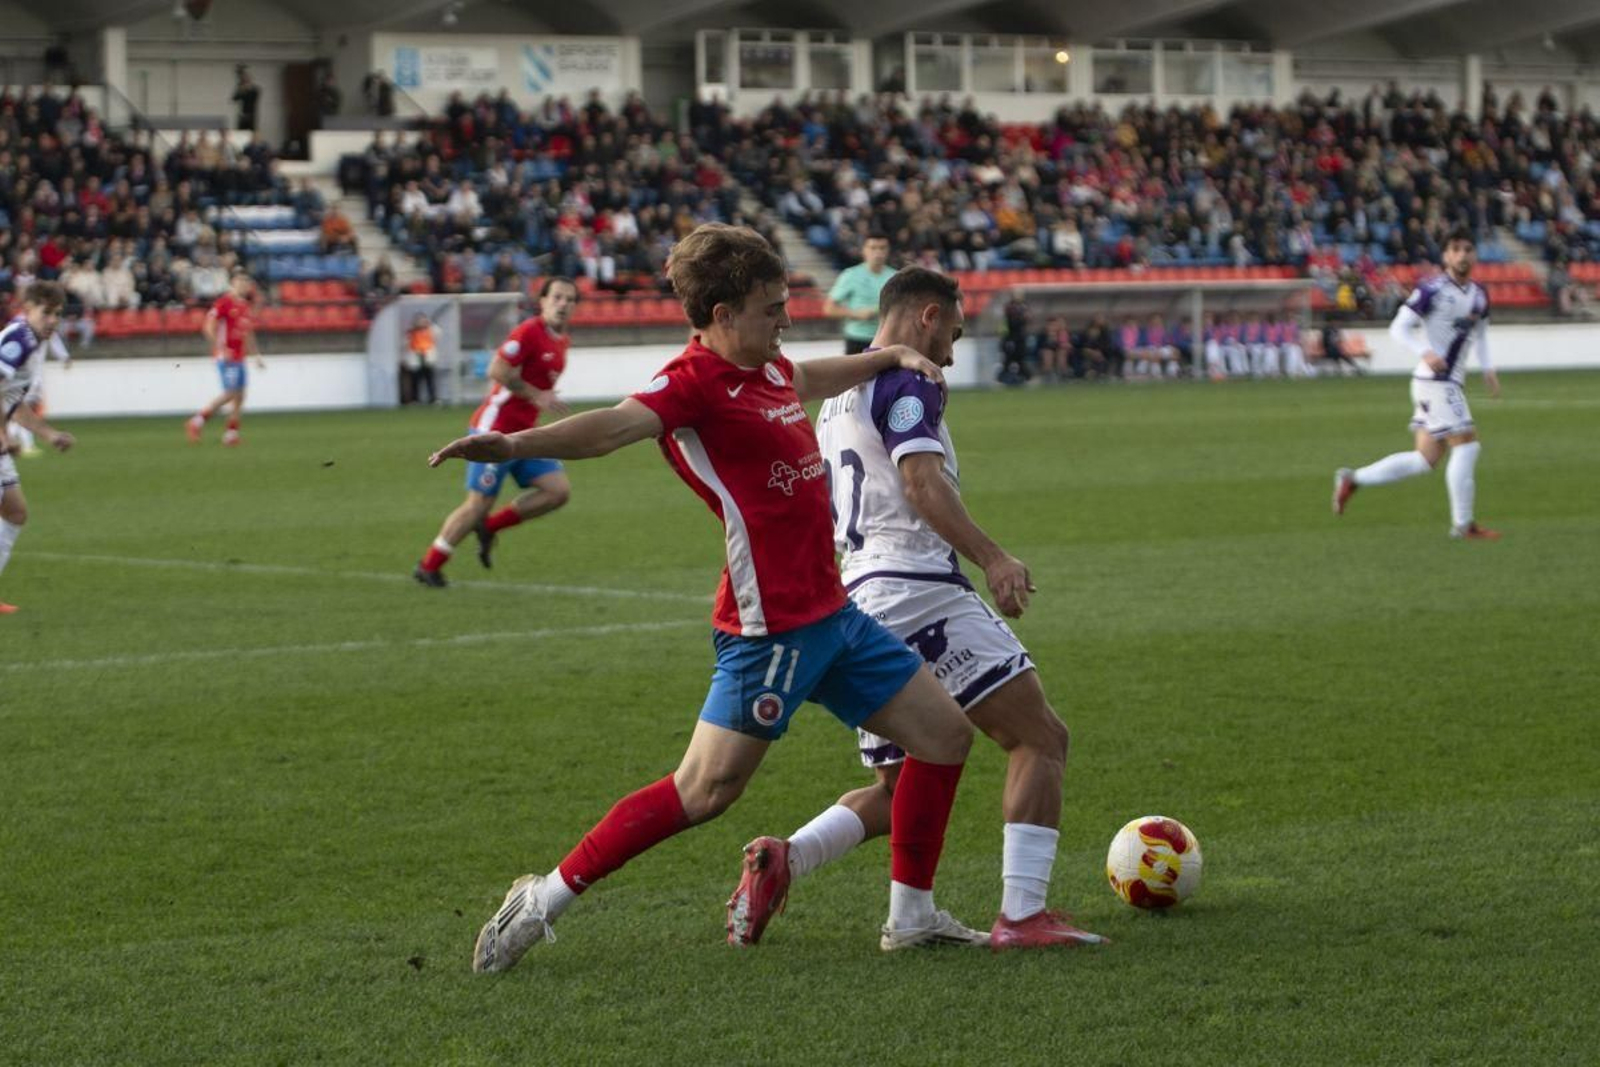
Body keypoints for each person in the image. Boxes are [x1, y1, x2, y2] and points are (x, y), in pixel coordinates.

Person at [428, 224, 974, 971]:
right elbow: (612, 427)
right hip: (769, 629)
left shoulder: (768, 365)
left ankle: (911, 917)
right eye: (772, 308)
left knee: (944, 737)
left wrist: (890, 355)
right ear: (723, 314)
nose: (786, 320)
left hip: (834, 614)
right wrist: (518, 446)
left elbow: (811, 375)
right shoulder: (691, 384)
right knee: (703, 791)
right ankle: (542, 899)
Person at [727, 268, 1106, 952]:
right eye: (952, 333)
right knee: (1039, 737)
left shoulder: (836, 394)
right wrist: (993, 557)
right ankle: (1023, 915)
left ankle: (787, 856)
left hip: (858, 596)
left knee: (900, 783)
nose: (952, 354)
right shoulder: (910, 380)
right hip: (918, 584)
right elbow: (921, 483)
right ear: (927, 315)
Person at [1333, 228, 1501, 540]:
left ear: (1475, 255)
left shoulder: (1479, 294)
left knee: (1425, 459)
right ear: (1446, 256)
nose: (1462, 255)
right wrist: (1425, 351)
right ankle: (1463, 525)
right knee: (1468, 445)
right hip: (1436, 382)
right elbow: (1399, 327)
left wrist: (1488, 369)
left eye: (1468, 249)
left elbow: (1480, 334)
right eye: (1455, 249)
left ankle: (1353, 479)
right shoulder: (1432, 289)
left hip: (1442, 382)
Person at [412, 278, 578, 586]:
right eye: (557, 297)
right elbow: (497, 370)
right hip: (495, 428)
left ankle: (489, 527)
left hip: (525, 433)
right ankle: (429, 566)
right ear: (542, 301)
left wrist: (537, 399)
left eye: (569, 299)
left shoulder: (562, 340)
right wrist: (537, 395)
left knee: (557, 491)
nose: (563, 304)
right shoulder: (529, 331)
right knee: (478, 504)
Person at [0, 283, 75, 615]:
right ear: (27, 308)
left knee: (15, 512)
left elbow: (12, 401)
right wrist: (3, 435)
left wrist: (48, 434)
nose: (53, 320)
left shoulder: (31, 342)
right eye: (46, 313)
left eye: (57, 314)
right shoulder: (19, 340)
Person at [186, 270, 263, 446]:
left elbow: (248, 333)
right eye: (240, 282)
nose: (243, 286)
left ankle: (231, 433)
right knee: (230, 393)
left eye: (245, 283)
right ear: (232, 284)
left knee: (240, 395)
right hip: (226, 357)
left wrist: (256, 355)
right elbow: (208, 327)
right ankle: (197, 421)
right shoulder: (224, 303)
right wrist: (221, 348)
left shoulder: (244, 306)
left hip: (239, 357)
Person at [825, 232, 895, 355]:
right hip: (857, 339)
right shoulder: (851, 275)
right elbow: (829, 308)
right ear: (864, 250)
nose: (878, 252)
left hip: (887, 339)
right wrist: (856, 314)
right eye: (873, 248)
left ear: (888, 250)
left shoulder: (895, 277)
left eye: (882, 248)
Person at [402, 313, 439, 406]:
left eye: (423, 320)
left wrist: (429, 324)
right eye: (419, 321)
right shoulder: (411, 332)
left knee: (430, 380)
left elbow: (438, 333)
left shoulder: (431, 330)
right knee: (415, 381)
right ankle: (415, 399)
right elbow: (405, 344)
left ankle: (433, 399)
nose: (421, 322)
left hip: (427, 357)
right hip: (416, 357)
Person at [232, 66, 260, 133]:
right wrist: (241, 90)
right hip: (243, 115)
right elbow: (234, 99)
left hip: (251, 116)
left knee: (251, 133)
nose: (245, 81)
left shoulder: (255, 90)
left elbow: (253, 98)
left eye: (247, 79)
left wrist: (246, 89)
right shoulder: (242, 90)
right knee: (240, 133)